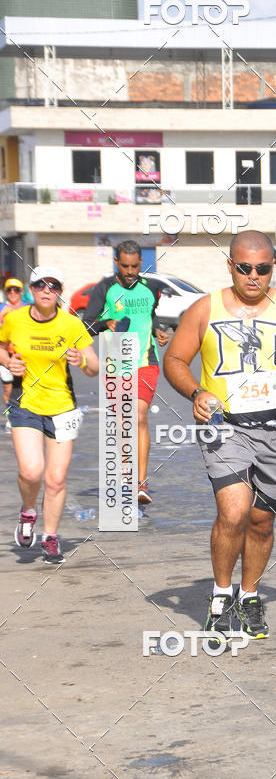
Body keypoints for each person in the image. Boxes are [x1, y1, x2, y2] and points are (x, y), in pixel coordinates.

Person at [164, 230, 276, 641]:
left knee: (260, 521)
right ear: (230, 266)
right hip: (223, 427)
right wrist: (196, 391)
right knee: (235, 511)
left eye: (262, 268)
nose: (253, 276)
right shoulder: (205, 309)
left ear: (272, 267)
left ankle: (250, 595)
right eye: (244, 268)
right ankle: (222, 595)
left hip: (275, 428)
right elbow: (174, 358)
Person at [0, 266, 99, 564]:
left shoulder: (71, 324)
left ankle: (51, 537)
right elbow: (2, 347)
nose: (47, 290)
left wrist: (81, 360)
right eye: (41, 285)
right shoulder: (14, 319)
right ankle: (28, 511)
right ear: (31, 290)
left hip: (62, 408)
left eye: (53, 286)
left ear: (59, 292)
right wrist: (9, 362)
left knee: (56, 479)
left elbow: (94, 368)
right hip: (26, 404)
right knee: (31, 471)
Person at [83, 240, 170, 505]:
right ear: (116, 263)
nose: (130, 271)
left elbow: (150, 315)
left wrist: (158, 330)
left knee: (139, 414)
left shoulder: (150, 288)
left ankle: (141, 484)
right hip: (117, 361)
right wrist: (105, 322)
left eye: (135, 266)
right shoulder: (105, 288)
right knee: (124, 421)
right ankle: (126, 473)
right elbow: (86, 324)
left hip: (146, 360)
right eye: (125, 266)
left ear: (140, 263)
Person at [0, 278, 27, 426]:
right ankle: (11, 416)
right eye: (9, 290)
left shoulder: (28, 308)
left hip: (25, 354)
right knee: (8, 388)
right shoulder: (1, 308)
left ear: (21, 292)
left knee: (26, 387)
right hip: (6, 355)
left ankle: (26, 416)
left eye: (16, 290)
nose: (12, 293)